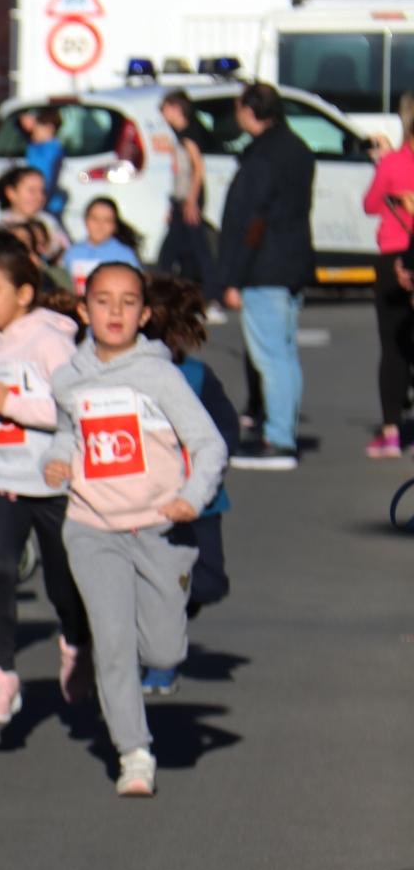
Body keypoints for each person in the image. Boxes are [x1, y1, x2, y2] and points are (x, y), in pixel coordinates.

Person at [43, 261, 226, 797]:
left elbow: (209, 444)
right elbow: (65, 435)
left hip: (159, 527)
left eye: (128, 302)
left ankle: (150, 667)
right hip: (92, 526)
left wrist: (192, 497)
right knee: (114, 643)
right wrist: (56, 460)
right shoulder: (68, 378)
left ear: (145, 315)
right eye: (103, 301)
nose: (115, 312)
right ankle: (134, 753)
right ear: (84, 310)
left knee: (164, 652)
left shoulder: (160, 376)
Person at [0, 232, 88, 723]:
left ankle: (76, 645)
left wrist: (9, 403)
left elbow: (74, 408)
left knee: (62, 581)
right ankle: (2, 672)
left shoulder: (50, 340)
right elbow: (4, 403)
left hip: (52, 480)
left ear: (24, 294)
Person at [218, 82, 314, 471]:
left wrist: (233, 276)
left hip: (265, 265)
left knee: (271, 356)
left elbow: (253, 219)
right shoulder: (297, 148)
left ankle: (279, 438)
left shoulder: (262, 157)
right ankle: (281, 430)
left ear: (249, 111)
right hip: (292, 260)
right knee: (284, 355)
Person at [144, 275, 237, 664]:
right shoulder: (120, 377)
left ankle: (173, 609)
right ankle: (157, 659)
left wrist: (209, 468)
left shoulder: (196, 376)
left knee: (210, 582)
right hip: (145, 499)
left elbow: (226, 427)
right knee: (154, 578)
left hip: (200, 498)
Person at [360, 91, 414, 458]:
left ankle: (392, 431)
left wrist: (381, 163)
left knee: (393, 346)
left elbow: (370, 204)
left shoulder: (393, 163)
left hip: (394, 252)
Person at [156, 90, 218, 301]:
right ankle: (190, 291)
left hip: (188, 198)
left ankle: (210, 293)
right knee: (182, 249)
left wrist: (192, 200)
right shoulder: (180, 135)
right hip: (181, 199)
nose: (163, 114)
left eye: (165, 109)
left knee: (194, 249)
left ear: (176, 108)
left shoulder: (189, 135)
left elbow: (198, 168)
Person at [61, 196, 143, 295]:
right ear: (85, 221)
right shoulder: (72, 253)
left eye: (107, 220)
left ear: (114, 225)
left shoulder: (125, 255)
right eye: (95, 219)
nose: (100, 225)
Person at [0, 166, 67, 263]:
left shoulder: (48, 222)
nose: (39, 197)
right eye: (32, 191)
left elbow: (66, 255)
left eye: (42, 191)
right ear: (11, 193)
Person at [22, 106, 66, 212]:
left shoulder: (50, 152)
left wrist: (38, 203)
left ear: (49, 128)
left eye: (37, 126)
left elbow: (45, 182)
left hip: (44, 207)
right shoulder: (37, 147)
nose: (33, 131)